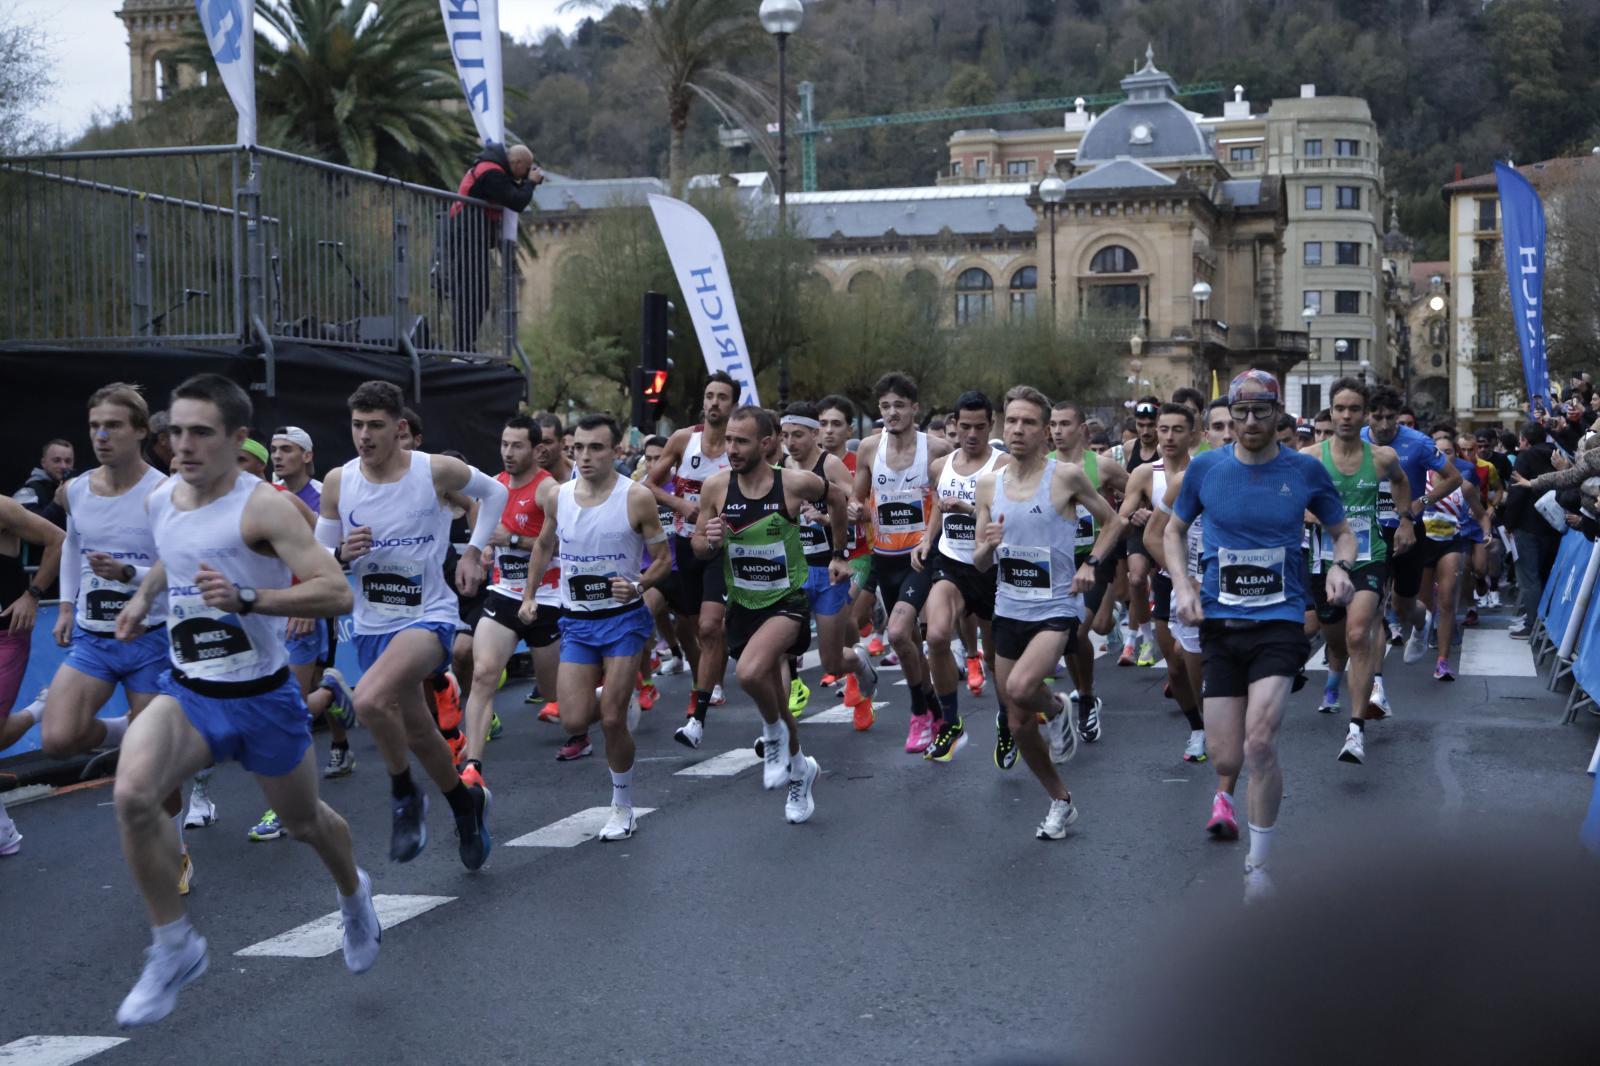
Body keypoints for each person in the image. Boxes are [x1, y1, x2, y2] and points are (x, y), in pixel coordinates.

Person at [108, 373, 378, 1027]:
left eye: (201, 432)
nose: (183, 444)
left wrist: (252, 598)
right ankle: (174, 946)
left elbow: (335, 590)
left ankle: (354, 896)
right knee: (133, 796)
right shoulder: (162, 500)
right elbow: (176, 555)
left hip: (263, 697)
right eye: (176, 430)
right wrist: (143, 599)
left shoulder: (265, 508)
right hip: (191, 692)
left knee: (306, 823)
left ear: (238, 439)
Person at [1166, 369, 1354, 902]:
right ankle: (1239, 812)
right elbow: (1175, 531)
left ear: (1279, 416)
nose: (1249, 422)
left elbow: (1343, 532)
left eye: (1261, 412)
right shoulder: (1205, 470)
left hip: (1281, 621)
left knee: (1260, 743)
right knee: (1226, 758)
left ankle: (1259, 866)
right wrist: (1183, 583)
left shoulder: (1304, 471)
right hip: (1221, 625)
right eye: (1240, 412)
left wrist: (1342, 568)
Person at [318, 380, 506, 869]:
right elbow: (319, 554)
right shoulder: (340, 481)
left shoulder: (433, 470)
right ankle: (466, 806)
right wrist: (340, 554)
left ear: (399, 428)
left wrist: (471, 551)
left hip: (428, 616)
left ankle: (405, 796)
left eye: (375, 426)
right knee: (420, 733)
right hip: (372, 623)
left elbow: (496, 493)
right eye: (357, 425)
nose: (364, 436)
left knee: (368, 699)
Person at [42, 387, 191, 879]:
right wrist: (65, 606)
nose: (101, 436)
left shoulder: (163, 493)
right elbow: (71, 547)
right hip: (94, 636)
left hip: (152, 636)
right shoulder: (75, 489)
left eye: (114, 426)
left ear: (142, 431)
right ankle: (127, 730)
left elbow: (179, 566)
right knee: (58, 738)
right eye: (94, 426)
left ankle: (178, 845)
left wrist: (129, 578)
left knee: (156, 769)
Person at [973, 386, 1122, 839]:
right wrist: (988, 545)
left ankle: (1057, 706)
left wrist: (1091, 564)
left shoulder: (1066, 477)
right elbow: (979, 561)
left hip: (1056, 606)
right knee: (1017, 720)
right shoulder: (988, 484)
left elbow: (1112, 521)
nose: (1018, 429)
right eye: (1012, 421)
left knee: (1020, 688)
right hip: (1009, 607)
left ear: (1044, 433)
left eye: (1029, 422)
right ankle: (1060, 800)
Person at [521, 415, 671, 841]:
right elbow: (544, 545)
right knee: (573, 719)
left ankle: (622, 805)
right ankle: (614, 695)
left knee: (609, 721)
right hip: (578, 622)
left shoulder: (636, 498)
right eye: (579, 448)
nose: (585, 456)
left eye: (596, 448)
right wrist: (530, 596)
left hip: (622, 620)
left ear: (615, 450)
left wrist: (639, 582)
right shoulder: (558, 497)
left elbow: (662, 559)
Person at [694, 407, 847, 823]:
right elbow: (698, 545)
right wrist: (708, 539)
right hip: (743, 603)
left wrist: (838, 553)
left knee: (748, 672)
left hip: (788, 600)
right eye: (727, 440)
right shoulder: (715, 487)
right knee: (774, 694)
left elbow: (837, 498)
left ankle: (774, 733)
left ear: (766, 444)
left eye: (740, 441)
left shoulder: (794, 483)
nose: (731, 449)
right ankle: (800, 769)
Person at [1303, 380, 1411, 764]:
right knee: (1334, 639)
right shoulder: (1311, 457)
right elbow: (1291, 500)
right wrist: (1306, 512)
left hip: (1368, 556)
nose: (1346, 416)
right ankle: (1347, 676)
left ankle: (1355, 731)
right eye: (1339, 408)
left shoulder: (1381, 457)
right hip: (1325, 561)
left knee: (1358, 632)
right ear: (1330, 413)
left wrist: (1405, 521)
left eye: (1353, 409)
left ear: (1364, 415)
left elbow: (1401, 483)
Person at [849, 372, 954, 754]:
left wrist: (930, 538)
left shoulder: (938, 449)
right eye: (885, 406)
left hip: (921, 556)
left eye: (899, 406)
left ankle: (918, 713)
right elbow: (858, 502)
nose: (892, 413)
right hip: (884, 557)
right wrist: (854, 508)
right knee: (908, 641)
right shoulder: (867, 449)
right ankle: (934, 706)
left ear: (915, 409)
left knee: (896, 633)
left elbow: (945, 501)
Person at [459, 416, 562, 786]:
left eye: (516, 445)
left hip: (548, 597)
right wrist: (486, 548)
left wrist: (513, 541)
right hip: (504, 593)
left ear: (536, 450)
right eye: (504, 444)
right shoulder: (496, 486)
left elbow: (562, 544)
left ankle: (608, 697)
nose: (507, 452)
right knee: (484, 673)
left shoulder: (548, 491)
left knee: (558, 699)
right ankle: (473, 764)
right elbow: (489, 534)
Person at [914, 391, 1006, 760]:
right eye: (964, 426)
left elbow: (1006, 516)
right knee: (935, 636)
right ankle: (951, 723)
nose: (971, 434)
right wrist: (927, 537)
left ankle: (1008, 718)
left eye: (979, 427)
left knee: (998, 657)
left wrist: (969, 510)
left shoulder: (1003, 465)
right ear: (953, 424)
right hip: (951, 562)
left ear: (991, 426)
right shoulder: (942, 465)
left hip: (993, 566)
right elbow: (939, 503)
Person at [648, 373, 738, 748]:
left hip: (723, 550)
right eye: (709, 396)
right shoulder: (684, 440)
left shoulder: (739, 448)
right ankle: (704, 674)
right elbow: (648, 484)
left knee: (709, 626)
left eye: (721, 397)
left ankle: (699, 708)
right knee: (688, 625)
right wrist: (681, 503)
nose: (714, 402)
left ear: (733, 405)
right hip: (684, 547)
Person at [781, 402, 878, 729]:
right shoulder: (781, 467)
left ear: (813, 434)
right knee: (777, 648)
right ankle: (780, 730)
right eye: (785, 435)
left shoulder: (831, 465)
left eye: (797, 435)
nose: (791, 442)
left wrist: (832, 515)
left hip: (837, 563)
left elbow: (859, 508)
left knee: (833, 662)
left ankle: (858, 662)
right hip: (794, 569)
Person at [1047, 400, 1128, 756]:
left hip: (1095, 560)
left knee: (1078, 630)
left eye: (1065, 423)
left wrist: (1134, 512)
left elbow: (1137, 492)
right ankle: (1085, 695)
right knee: (1069, 639)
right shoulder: (1042, 468)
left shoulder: (1104, 467)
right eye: (1053, 424)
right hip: (1058, 562)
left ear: (1082, 429)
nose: (1058, 431)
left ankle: (1086, 698)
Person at [1123, 404, 1202, 761]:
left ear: (1193, 435)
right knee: (1174, 664)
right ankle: (1197, 728)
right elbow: (1122, 516)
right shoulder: (1144, 473)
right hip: (1170, 573)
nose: (1168, 437)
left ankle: (1215, 722)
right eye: (1163, 429)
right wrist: (1137, 516)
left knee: (1196, 656)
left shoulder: (1205, 471)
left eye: (1177, 430)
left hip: (1209, 574)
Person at [1362, 387, 1461, 660]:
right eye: (1377, 416)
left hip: (1407, 529)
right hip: (1369, 529)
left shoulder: (1417, 443)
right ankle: (1372, 674)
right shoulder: (1356, 439)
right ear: (1367, 415)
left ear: (1398, 416)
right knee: (1372, 600)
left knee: (1403, 603)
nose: (1383, 424)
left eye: (1390, 417)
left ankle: (1421, 623)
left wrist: (1422, 503)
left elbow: (1454, 479)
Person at [0, 496, 67, 855]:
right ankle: (3, 832)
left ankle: (43, 708)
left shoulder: (2, 508)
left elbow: (59, 539)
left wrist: (33, 595)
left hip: (4, 635)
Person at [443, 142, 542, 352]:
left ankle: (465, 346)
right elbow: (516, 201)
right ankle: (462, 348)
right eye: (524, 171)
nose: (524, 176)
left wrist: (526, 182)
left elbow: (511, 193)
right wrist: (530, 184)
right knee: (471, 294)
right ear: (515, 162)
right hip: (466, 237)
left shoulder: (494, 171)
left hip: (472, 237)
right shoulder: (491, 173)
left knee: (478, 295)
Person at [1119, 398, 1162, 667]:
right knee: (1136, 580)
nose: (1146, 431)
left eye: (1151, 425)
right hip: (1137, 524)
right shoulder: (1128, 448)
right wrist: (1131, 507)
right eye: (1141, 425)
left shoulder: (1166, 448)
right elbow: (1126, 486)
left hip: (1164, 525)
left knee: (1160, 583)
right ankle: (1144, 639)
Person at [15, 438, 74, 528]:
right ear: (43, 462)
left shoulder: (77, 488)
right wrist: (57, 502)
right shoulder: (29, 491)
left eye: (68, 461)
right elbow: (29, 529)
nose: (63, 466)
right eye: (57, 460)